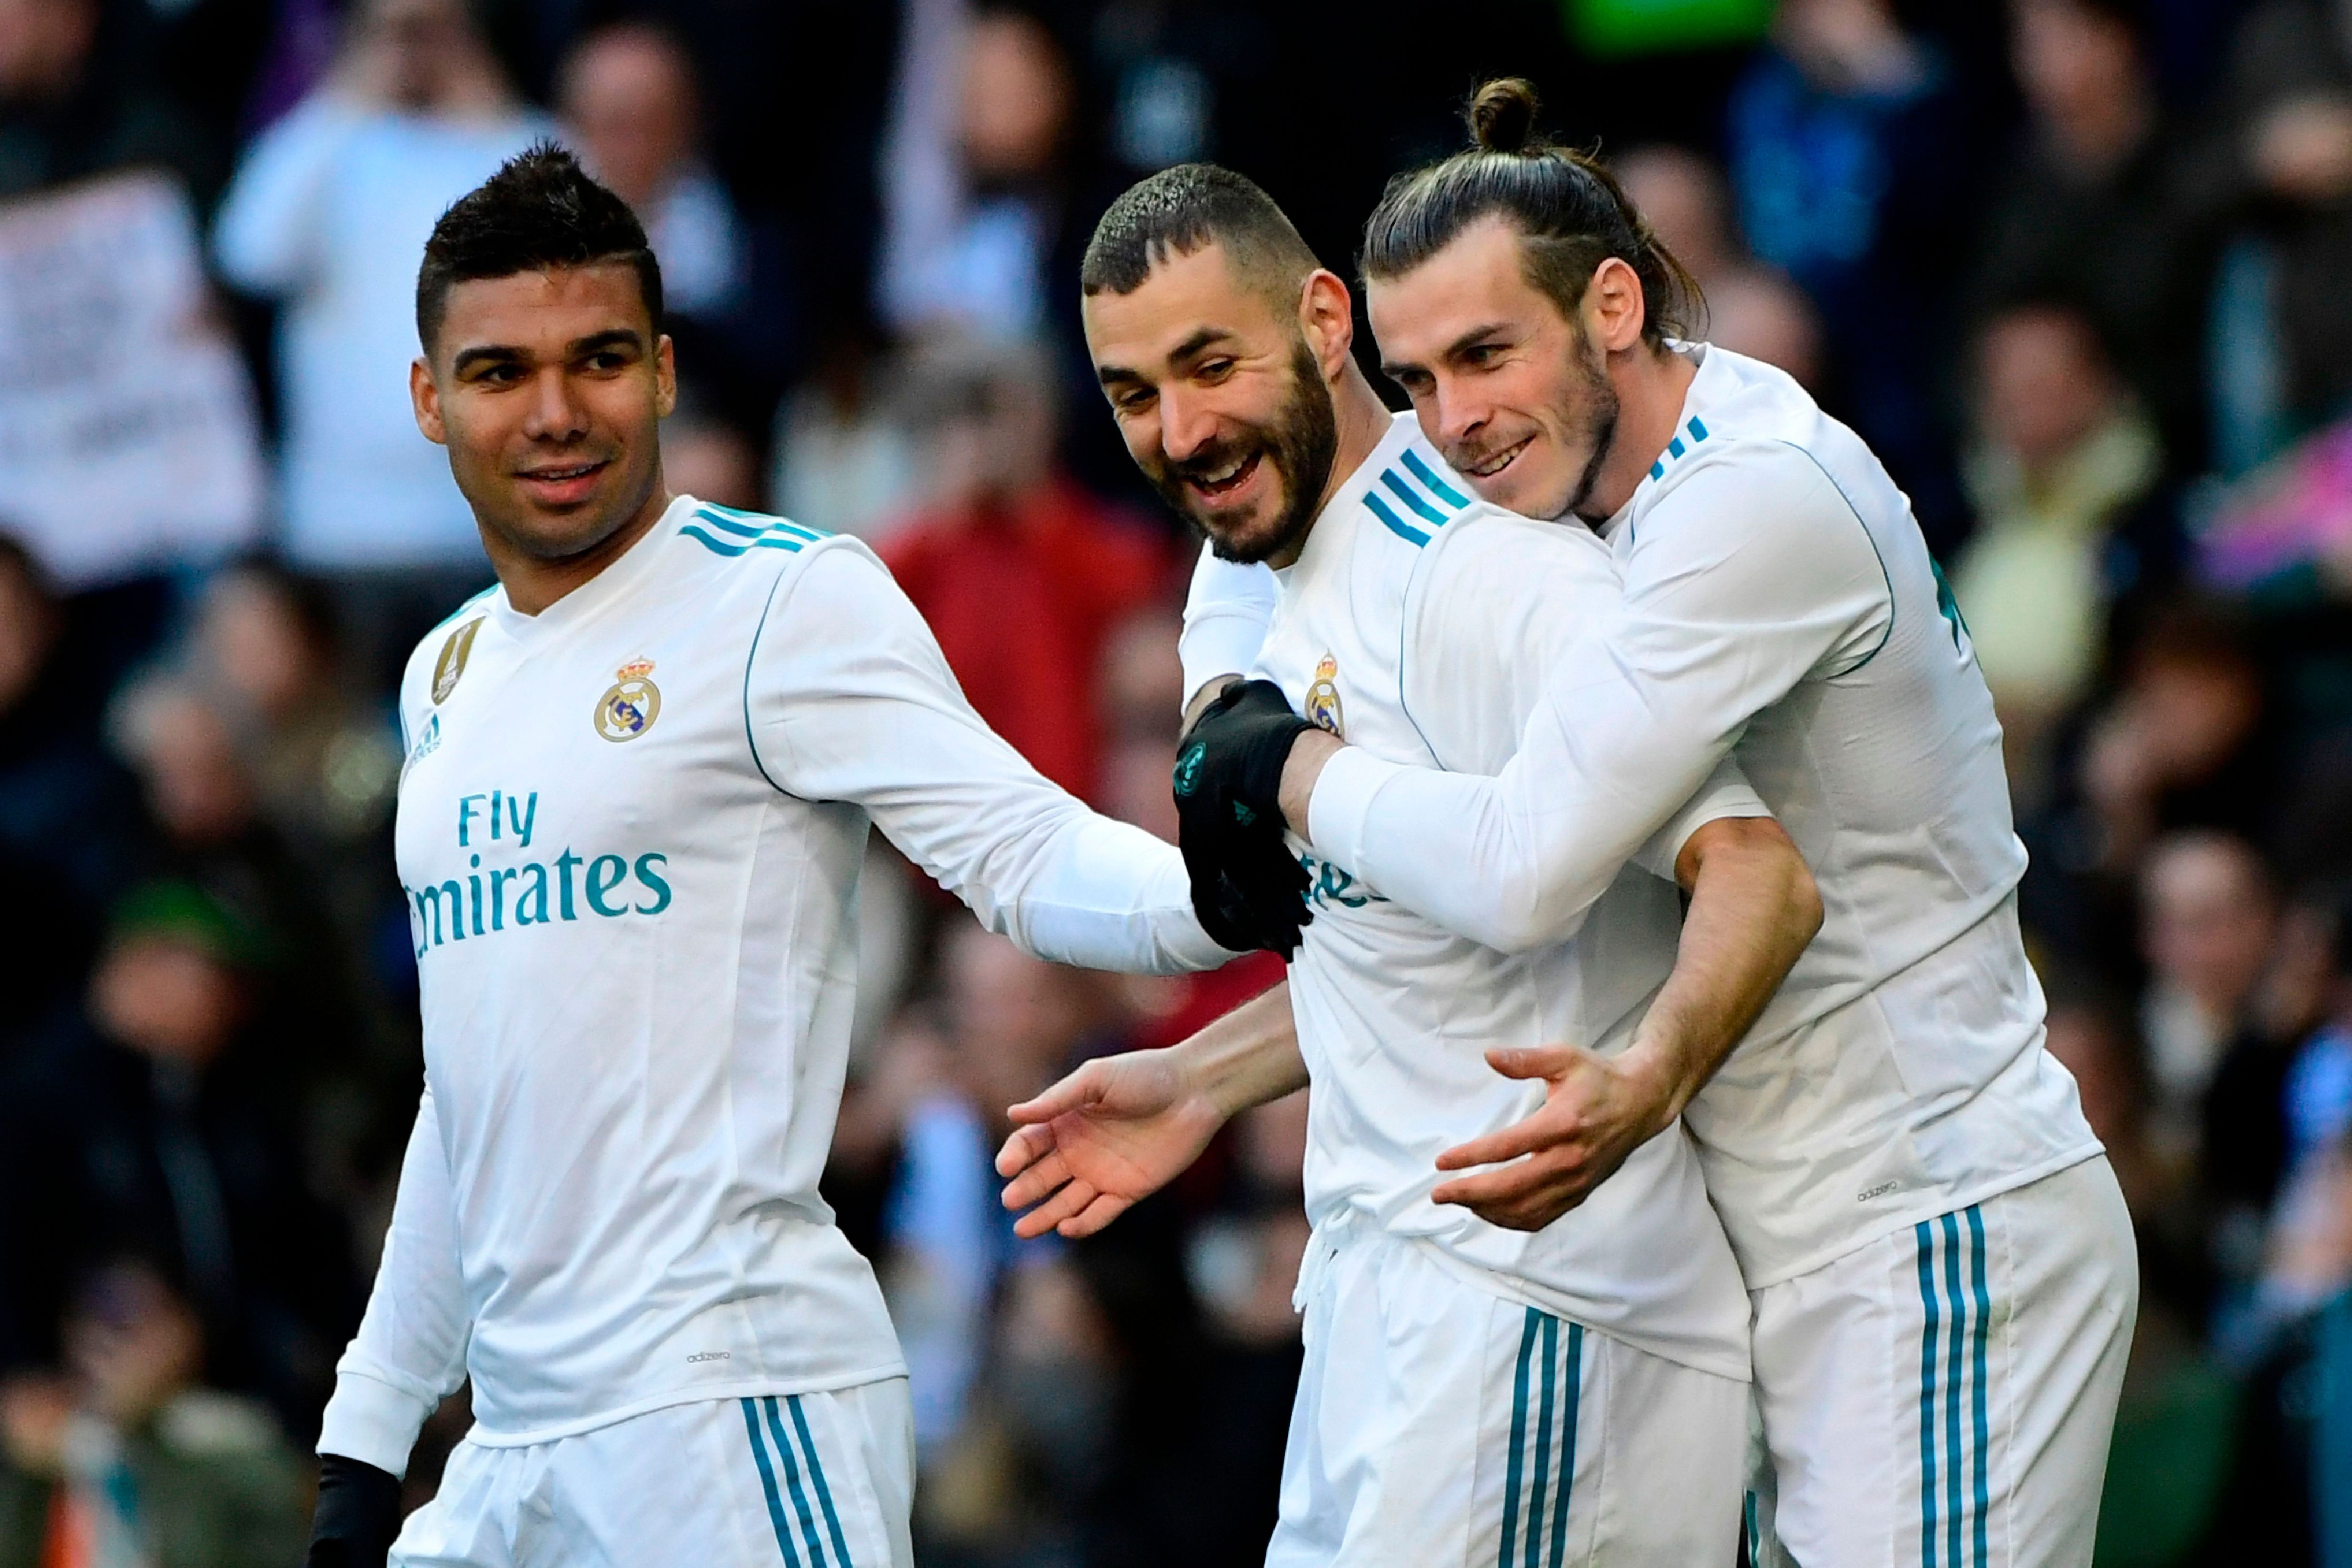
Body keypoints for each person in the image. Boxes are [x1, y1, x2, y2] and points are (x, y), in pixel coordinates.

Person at [1171, 81, 2136, 1567]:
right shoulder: (1560, 501)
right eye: (1417, 378)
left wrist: (1279, 766)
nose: (1455, 424)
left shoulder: (1748, 503)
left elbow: (1526, 865)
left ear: (1610, 303)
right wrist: (1209, 1072)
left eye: (1487, 355)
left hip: (1927, 1222)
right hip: (1766, 1245)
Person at [297, 145, 1248, 1568]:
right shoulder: (442, 676)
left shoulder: (781, 602)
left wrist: (1257, 885)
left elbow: (1023, 853)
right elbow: (475, 1087)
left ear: (666, 374)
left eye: (600, 360)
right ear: (430, 400)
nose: (557, 413)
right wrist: (365, 1441)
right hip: (510, 1446)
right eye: (501, 372)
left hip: (733, 1418)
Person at [1001, 162, 1823, 1563]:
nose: (1182, 429)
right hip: (1382, 1298)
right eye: (1135, 393)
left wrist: (1644, 1085)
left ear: (1326, 321)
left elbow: (1756, 870)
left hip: (1547, 1311)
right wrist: (1201, 1079)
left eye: (1211, 364)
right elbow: (1409, 944)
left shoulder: (1490, 577)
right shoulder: (1246, 577)